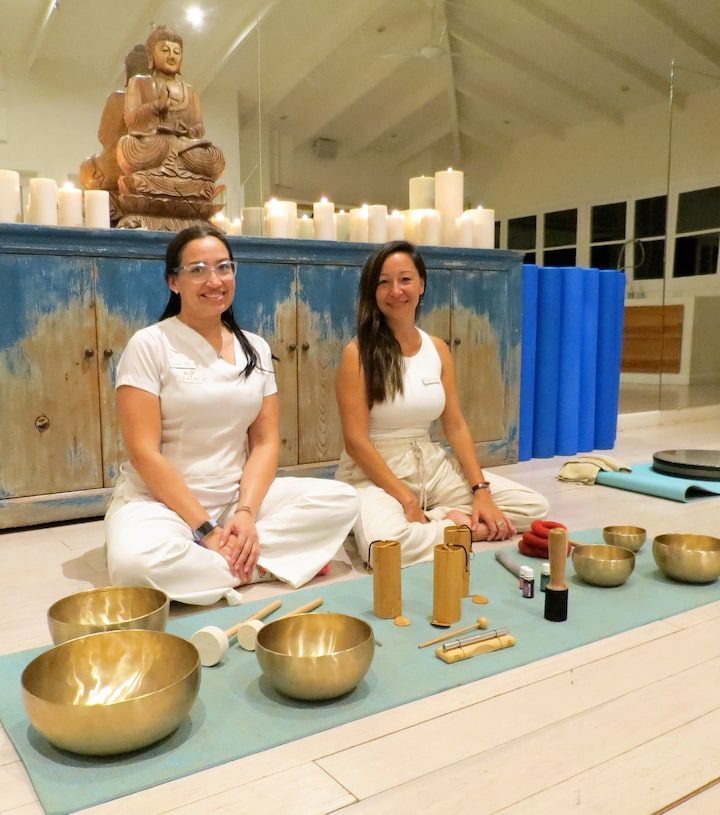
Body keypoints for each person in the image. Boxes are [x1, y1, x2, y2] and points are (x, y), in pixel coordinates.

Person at [105, 225, 359, 605]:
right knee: (133, 566)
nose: (214, 280)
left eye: (224, 267)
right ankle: (257, 566)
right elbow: (144, 454)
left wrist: (245, 513)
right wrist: (206, 529)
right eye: (197, 270)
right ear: (173, 281)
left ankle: (226, 563)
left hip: (234, 498)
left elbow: (265, 442)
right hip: (160, 503)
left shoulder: (254, 347)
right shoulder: (150, 344)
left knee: (341, 500)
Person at [335, 240, 549, 567]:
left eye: (405, 279)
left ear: (421, 284)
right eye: (383, 282)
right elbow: (356, 443)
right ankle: (456, 527)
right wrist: (405, 498)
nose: (396, 290)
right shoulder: (357, 353)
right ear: (372, 291)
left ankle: (441, 522)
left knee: (532, 507)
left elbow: (456, 426)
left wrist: (481, 491)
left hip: (432, 466)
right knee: (385, 548)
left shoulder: (437, 348)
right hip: (374, 470)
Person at [116, 25, 225, 203]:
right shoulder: (139, 83)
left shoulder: (190, 91)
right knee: (127, 146)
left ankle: (174, 181)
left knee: (215, 157)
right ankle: (182, 185)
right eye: (165, 50)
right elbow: (131, 120)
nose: (171, 55)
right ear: (151, 56)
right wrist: (155, 106)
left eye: (176, 52)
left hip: (184, 147)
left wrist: (190, 131)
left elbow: (198, 128)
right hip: (154, 144)